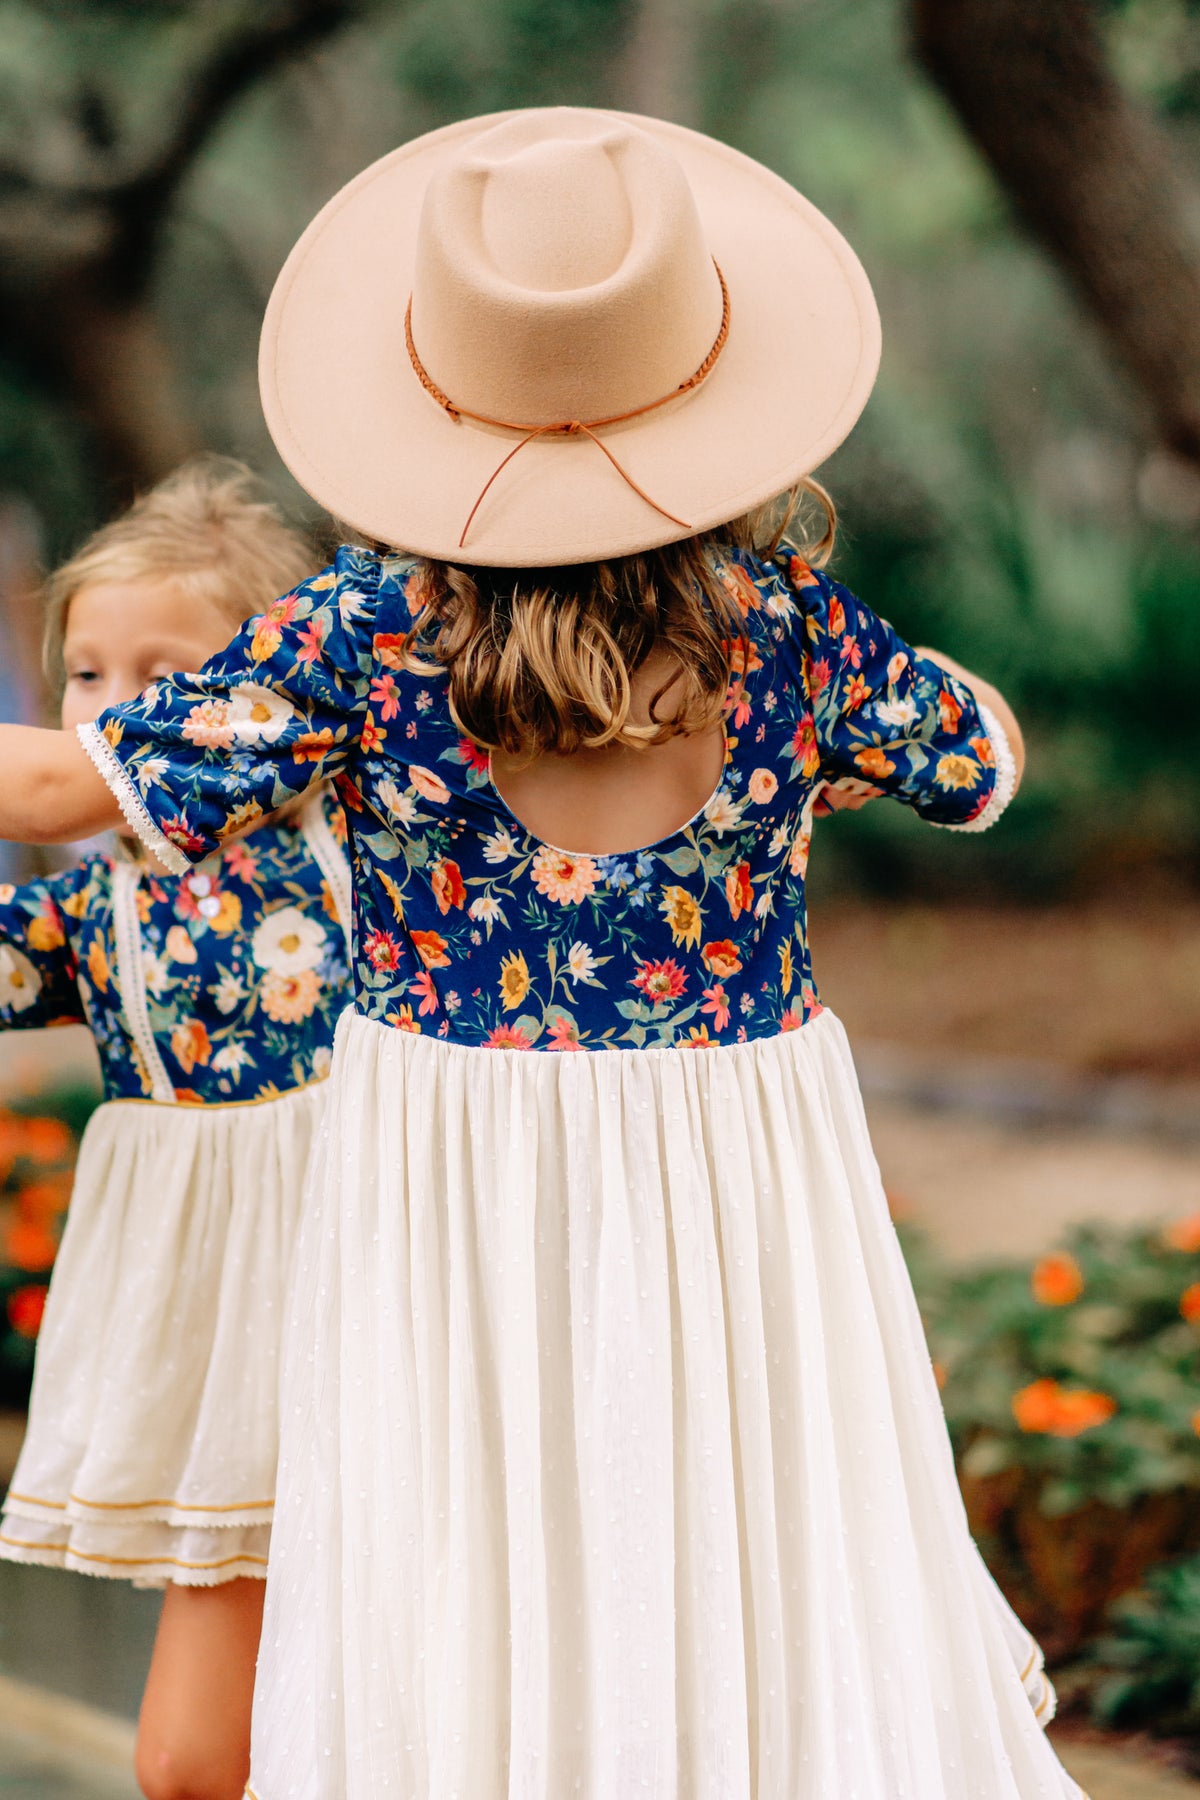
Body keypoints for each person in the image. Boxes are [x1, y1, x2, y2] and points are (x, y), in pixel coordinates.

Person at [0, 111, 1085, 1798]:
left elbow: (77, 781)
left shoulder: (364, 630)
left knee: (479, 1566)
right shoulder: (785, 621)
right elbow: (979, 768)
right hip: (737, 1164)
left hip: (454, 1167)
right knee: (740, 1547)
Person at [0, 462, 352, 1800]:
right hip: (219, 1366)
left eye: (165, 668)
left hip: (368, 1299)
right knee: (192, 1761)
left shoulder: (360, 853)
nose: (114, 707)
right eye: (86, 675)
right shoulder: (96, 916)